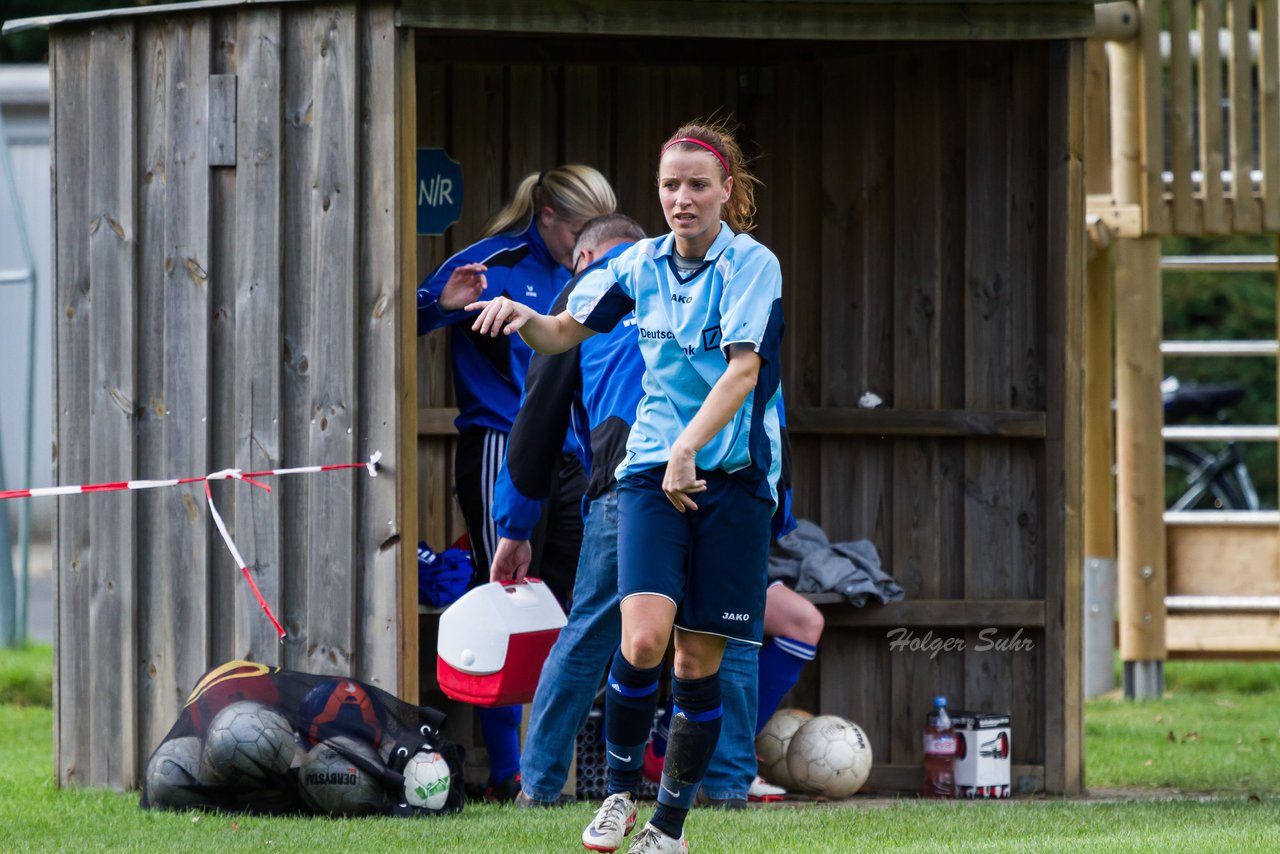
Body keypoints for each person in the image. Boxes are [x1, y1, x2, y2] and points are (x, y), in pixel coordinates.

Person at [470, 119, 782, 854]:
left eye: (697, 185)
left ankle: (668, 828)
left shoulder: (752, 267)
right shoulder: (636, 265)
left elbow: (743, 372)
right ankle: (614, 795)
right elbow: (561, 333)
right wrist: (525, 318)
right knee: (640, 640)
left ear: (724, 193)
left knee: (697, 660)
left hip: (729, 483)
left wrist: (690, 448)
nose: (682, 198)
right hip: (647, 474)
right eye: (670, 185)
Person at [490, 215, 822, 809]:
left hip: (635, 480)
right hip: (719, 480)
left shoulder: (598, 286)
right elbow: (765, 396)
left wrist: (515, 526)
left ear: (584, 257)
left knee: (595, 632)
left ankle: (537, 787)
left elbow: (536, 420)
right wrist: (779, 505)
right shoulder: (712, 279)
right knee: (731, 635)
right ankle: (723, 789)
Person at [416, 164, 616, 802]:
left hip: (577, 453)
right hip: (500, 444)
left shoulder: (596, 268)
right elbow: (402, 316)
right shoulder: (492, 261)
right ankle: (508, 772)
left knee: (574, 601)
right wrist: (438, 305)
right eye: (580, 229)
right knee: (503, 591)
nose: (589, 245)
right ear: (548, 217)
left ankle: (556, 765)